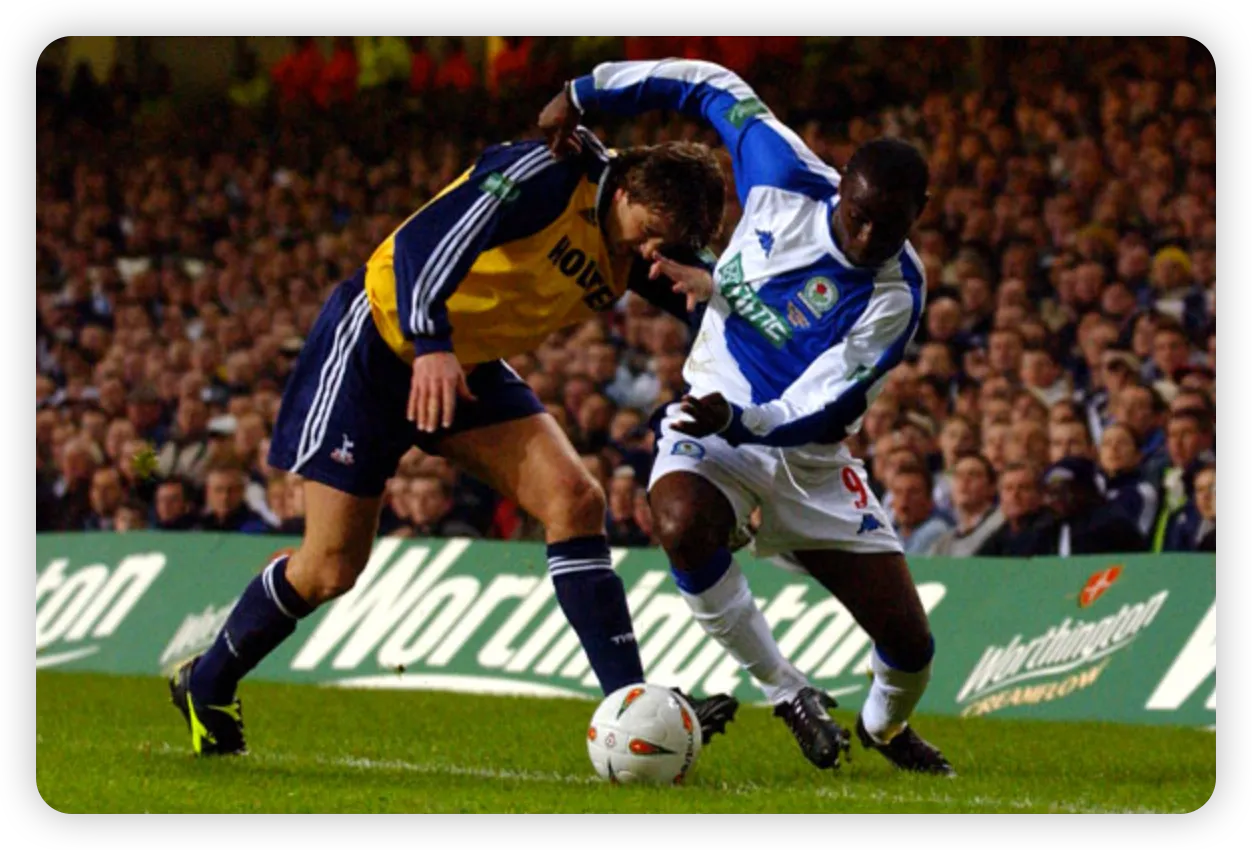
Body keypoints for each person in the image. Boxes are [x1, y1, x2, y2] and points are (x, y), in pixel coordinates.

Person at [168, 120, 740, 756]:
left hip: (463, 364)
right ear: (628, 189)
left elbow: (719, 312)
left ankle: (633, 713)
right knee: (330, 567)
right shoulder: (549, 175)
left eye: (671, 242)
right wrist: (431, 343)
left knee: (575, 501)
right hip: (377, 344)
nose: (654, 252)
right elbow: (421, 241)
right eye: (651, 233)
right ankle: (208, 681)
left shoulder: (649, 244)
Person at [539, 58, 953, 775]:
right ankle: (789, 693)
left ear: (920, 211)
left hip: (806, 457)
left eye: (887, 230)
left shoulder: (897, 292)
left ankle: (886, 728)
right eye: (858, 219)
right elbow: (708, 85)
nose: (865, 240)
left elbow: (824, 402)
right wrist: (585, 91)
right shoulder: (782, 171)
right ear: (841, 183)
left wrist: (741, 416)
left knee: (910, 646)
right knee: (675, 519)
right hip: (712, 427)